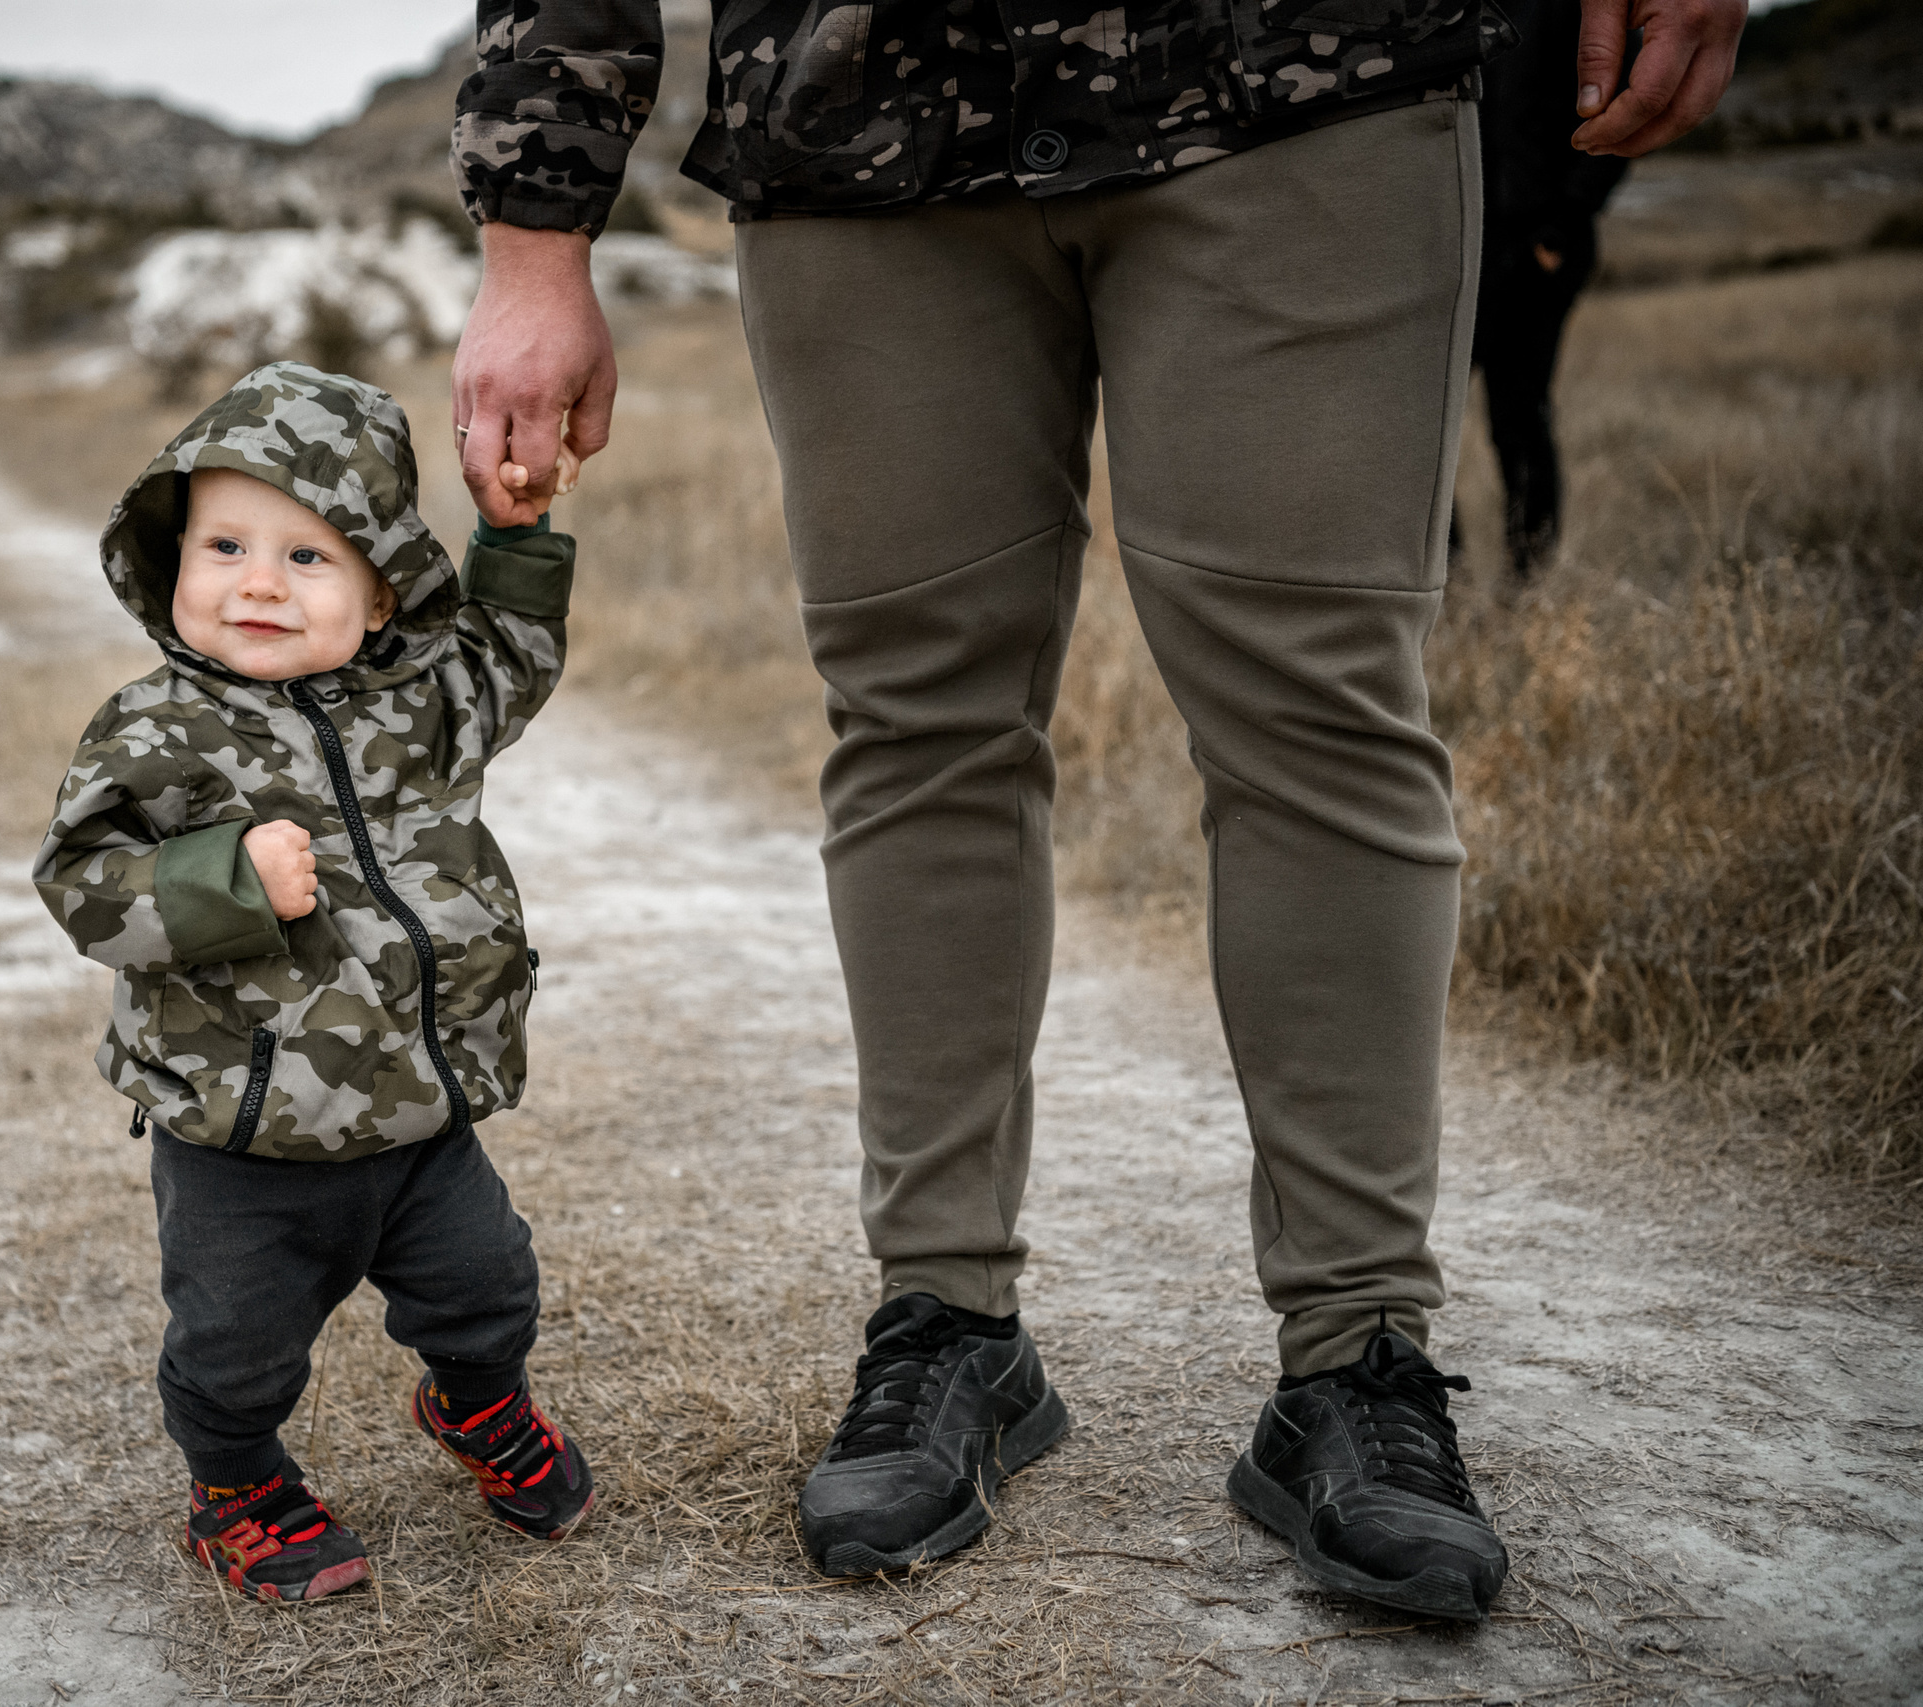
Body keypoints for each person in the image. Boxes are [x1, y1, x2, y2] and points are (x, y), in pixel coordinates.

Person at [446, 0, 1743, 1620]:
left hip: (1305, 84)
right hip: (859, 115)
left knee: (1321, 717)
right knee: (916, 721)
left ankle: (1358, 1360)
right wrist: (533, 231)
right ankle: (947, 1325)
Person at [32, 362, 593, 1603]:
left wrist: (517, 532)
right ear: (171, 559)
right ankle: (235, 1484)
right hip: (246, 1134)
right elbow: (81, 886)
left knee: (489, 1287)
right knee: (235, 1347)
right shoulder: (154, 729)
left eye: (308, 556)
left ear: (383, 585)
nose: (256, 583)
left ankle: (477, 1408)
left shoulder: (421, 709)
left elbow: (509, 656)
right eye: (225, 544)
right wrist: (224, 879)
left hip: (420, 1117)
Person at [1474, 0, 1634, 577]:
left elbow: (1620, 108)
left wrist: (1561, 226)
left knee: (1517, 414)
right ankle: (1444, 571)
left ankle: (1530, 575)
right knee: (1417, 413)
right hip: (1469, 241)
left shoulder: (1570, 6)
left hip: (1537, 244)